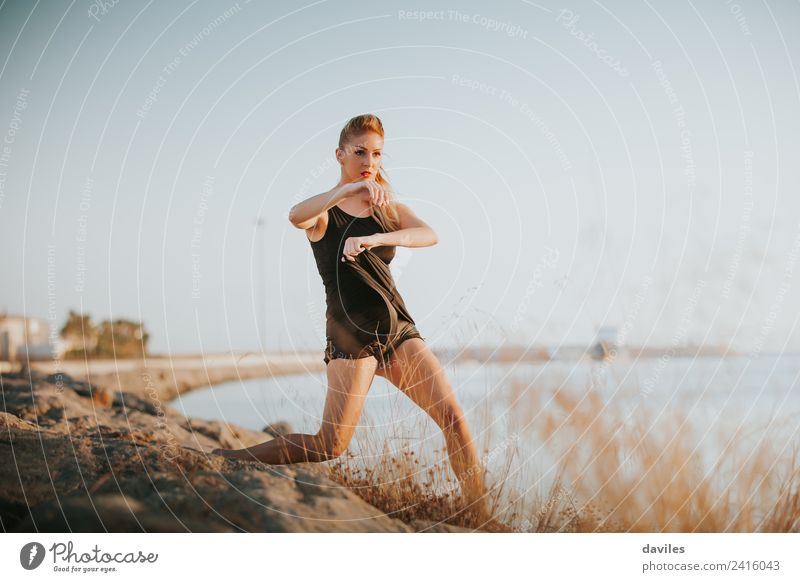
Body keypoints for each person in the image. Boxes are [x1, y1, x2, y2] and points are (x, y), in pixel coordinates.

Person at [212, 113, 490, 519]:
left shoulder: (388, 208)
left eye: (376, 153)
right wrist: (348, 189)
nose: (369, 160)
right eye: (360, 152)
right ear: (340, 154)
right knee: (330, 444)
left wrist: (377, 236)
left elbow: (429, 234)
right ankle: (228, 458)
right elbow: (295, 216)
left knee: (454, 418)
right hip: (350, 334)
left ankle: (480, 517)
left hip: (397, 329)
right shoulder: (326, 213)